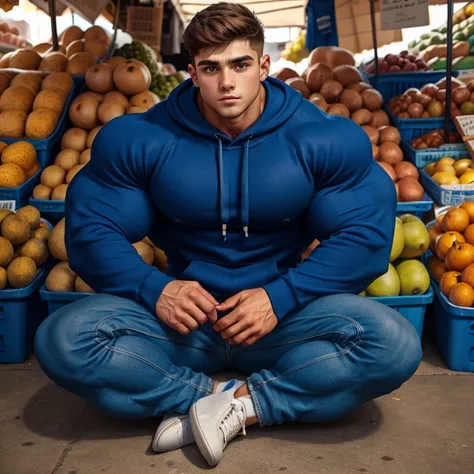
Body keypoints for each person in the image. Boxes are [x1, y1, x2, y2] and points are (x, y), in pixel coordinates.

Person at [35, 2, 422, 467]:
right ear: (192, 74)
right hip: (184, 323)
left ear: (263, 65)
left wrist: (282, 296)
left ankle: (229, 407)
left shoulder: (318, 138)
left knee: (394, 344)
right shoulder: (144, 138)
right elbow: (90, 227)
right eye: (210, 68)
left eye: (240, 65)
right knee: (63, 338)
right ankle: (225, 401)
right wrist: (154, 288)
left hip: (281, 320)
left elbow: (367, 236)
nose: (227, 82)